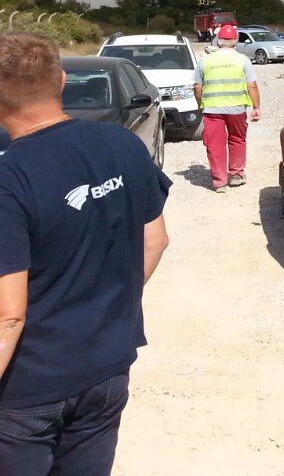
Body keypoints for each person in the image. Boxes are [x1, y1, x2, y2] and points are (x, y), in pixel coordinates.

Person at [0, 32, 170, 475]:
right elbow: (156, 240)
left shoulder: (8, 179)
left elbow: (8, 315)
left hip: (27, 391)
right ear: (60, 81)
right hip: (108, 367)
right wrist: (103, 307)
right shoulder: (122, 144)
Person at [194, 23, 260, 192]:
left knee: (215, 145)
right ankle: (236, 174)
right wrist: (256, 107)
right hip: (236, 109)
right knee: (237, 140)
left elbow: (197, 87)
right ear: (236, 40)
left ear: (218, 40)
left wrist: (201, 104)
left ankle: (219, 182)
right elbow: (251, 86)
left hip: (212, 110)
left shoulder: (205, 61)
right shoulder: (242, 60)